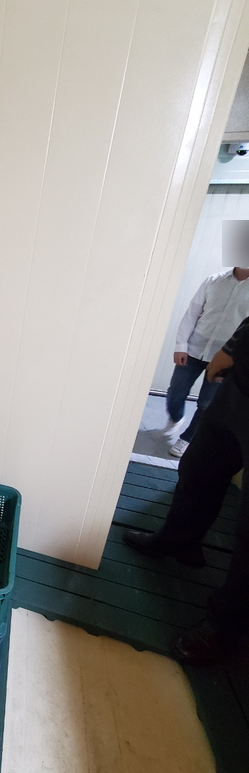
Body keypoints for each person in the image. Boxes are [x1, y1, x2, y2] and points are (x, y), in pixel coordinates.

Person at [124, 315, 249, 664]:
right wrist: (234, 347)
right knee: (199, 468)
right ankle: (179, 541)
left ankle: (227, 625)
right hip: (240, 385)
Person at [164, 266, 249, 458]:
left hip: (225, 358)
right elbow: (192, 313)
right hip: (194, 349)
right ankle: (176, 417)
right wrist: (181, 345)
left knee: (206, 403)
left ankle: (187, 438)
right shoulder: (214, 280)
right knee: (175, 392)